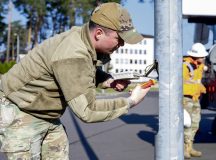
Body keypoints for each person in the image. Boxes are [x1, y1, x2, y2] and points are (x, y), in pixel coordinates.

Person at [0, 2, 152, 159]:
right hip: (19, 110)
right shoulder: (73, 54)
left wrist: (107, 80)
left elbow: (83, 71)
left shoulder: (82, 37)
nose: (122, 44)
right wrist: (131, 101)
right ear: (99, 33)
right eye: (119, 38)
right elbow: (88, 110)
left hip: (47, 113)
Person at [183, 42, 208, 159]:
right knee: (186, 124)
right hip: (186, 98)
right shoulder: (185, 66)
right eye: (202, 56)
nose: (204, 58)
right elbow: (182, 82)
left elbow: (197, 81)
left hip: (195, 97)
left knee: (195, 123)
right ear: (195, 56)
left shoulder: (199, 66)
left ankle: (189, 147)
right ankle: (184, 148)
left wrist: (202, 89)